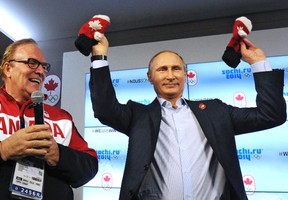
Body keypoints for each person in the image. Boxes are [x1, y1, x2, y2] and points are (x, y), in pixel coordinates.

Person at [88, 35, 286, 200]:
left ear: (185, 75)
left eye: (176, 69)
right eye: (162, 69)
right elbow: (105, 109)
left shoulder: (216, 111)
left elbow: (271, 115)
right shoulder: (138, 116)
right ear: (149, 77)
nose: (170, 75)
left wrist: (258, 63)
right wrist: (99, 57)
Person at [0, 39, 98, 200]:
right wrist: (3, 150)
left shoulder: (61, 117)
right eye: (32, 63)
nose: (40, 71)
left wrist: (58, 154)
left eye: (44, 67)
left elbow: (89, 168)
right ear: (8, 68)